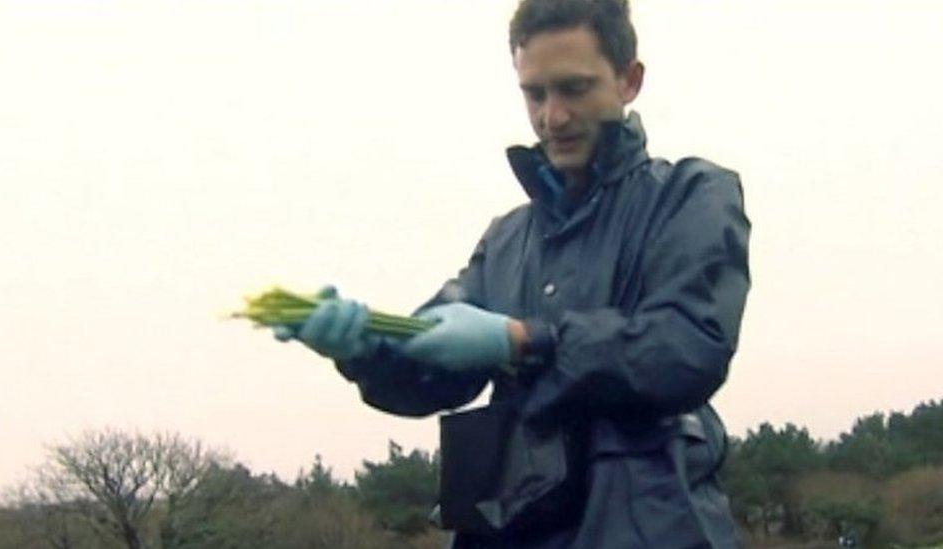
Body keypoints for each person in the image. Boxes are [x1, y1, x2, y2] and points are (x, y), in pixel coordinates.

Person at [275, 0, 750, 546]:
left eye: (574, 88)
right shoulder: (504, 241)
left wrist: (523, 340)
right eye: (535, 93)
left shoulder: (691, 196)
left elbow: (686, 348)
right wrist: (364, 350)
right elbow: (431, 377)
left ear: (629, 80)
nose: (552, 116)